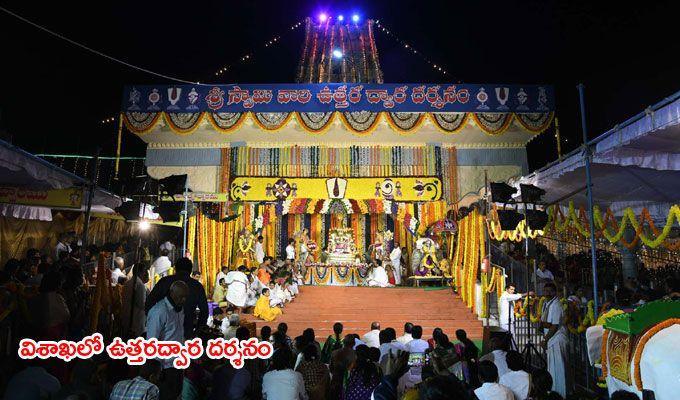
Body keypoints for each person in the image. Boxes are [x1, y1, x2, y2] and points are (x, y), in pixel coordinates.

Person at [145, 257, 208, 339]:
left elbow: (149, 303)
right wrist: (196, 332)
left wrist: (153, 322)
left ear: (175, 269)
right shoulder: (197, 286)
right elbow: (204, 312)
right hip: (185, 333)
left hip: (165, 334)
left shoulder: (164, 282)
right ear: (190, 271)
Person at [146, 280, 188, 400]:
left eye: (185, 297)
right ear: (172, 293)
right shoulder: (159, 311)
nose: (184, 300)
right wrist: (156, 370)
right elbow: (151, 342)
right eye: (181, 297)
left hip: (177, 363)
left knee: (176, 394)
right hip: (165, 367)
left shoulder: (179, 309)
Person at [540, 282, 568, 398]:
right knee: (553, 368)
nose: (547, 293)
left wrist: (545, 340)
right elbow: (546, 323)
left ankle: (560, 394)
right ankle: (555, 393)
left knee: (558, 369)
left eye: (549, 291)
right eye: (545, 291)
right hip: (552, 339)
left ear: (554, 292)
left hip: (556, 339)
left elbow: (554, 326)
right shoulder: (547, 304)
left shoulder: (556, 305)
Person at [121, 263, 150, 338]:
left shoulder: (129, 283)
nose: (146, 274)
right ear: (140, 272)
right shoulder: (139, 285)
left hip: (128, 320)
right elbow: (142, 304)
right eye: (145, 271)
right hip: (136, 323)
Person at [329, 335, 357, 399]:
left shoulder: (334, 353)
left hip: (336, 384)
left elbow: (331, 369)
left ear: (343, 342)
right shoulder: (356, 354)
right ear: (354, 343)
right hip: (350, 386)